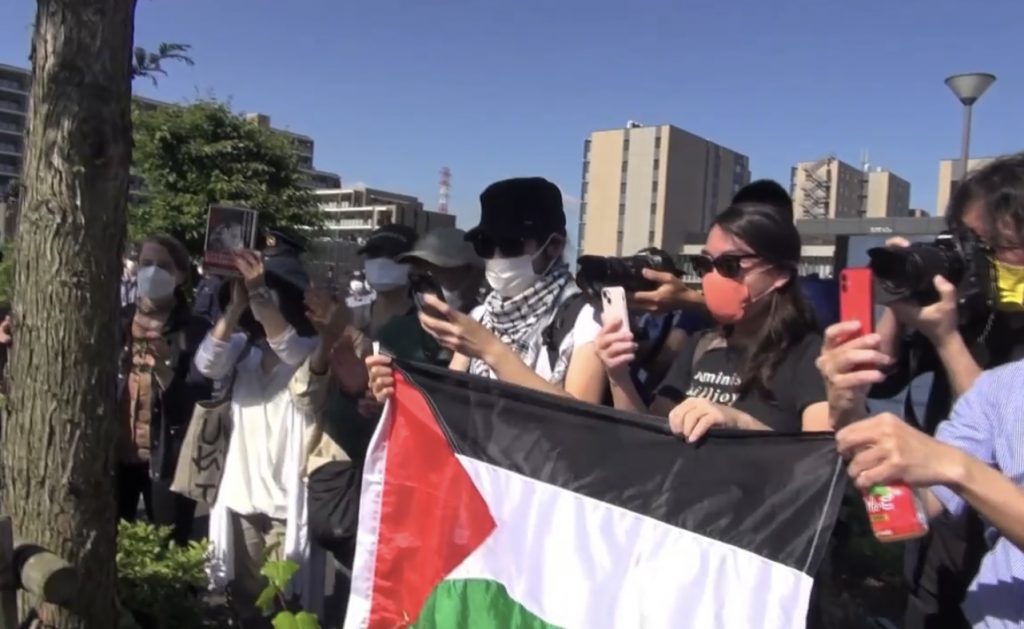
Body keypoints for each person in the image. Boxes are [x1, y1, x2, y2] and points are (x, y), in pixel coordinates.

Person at [867, 153, 1024, 628]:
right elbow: (901, 512)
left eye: (994, 244)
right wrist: (852, 416)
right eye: (967, 241)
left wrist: (947, 339)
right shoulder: (964, 304)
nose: (974, 257)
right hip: (947, 534)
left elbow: (991, 430)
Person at [820, 319, 1024, 627]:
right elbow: (906, 512)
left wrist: (960, 469)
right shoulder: (997, 389)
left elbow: (951, 466)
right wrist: (850, 413)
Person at [596, 202, 830, 440]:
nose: (712, 277)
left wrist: (741, 424)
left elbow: (820, 460)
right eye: (705, 265)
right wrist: (618, 375)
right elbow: (647, 441)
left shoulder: (811, 357)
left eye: (729, 265)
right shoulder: (702, 344)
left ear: (780, 274)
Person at [368, 177, 605, 404]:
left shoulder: (586, 319)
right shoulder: (482, 316)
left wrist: (491, 350)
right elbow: (449, 407)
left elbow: (581, 426)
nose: (497, 256)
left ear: (554, 245)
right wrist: (393, 393)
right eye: (487, 244)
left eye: (511, 244)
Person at [194, 250, 332, 626]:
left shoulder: (310, 352)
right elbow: (206, 362)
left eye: (272, 294)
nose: (262, 302)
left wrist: (258, 293)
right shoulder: (243, 353)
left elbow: (286, 347)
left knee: (289, 604)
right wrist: (235, 308)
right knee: (246, 602)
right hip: (242, 498)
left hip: (288, 504)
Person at [116, 234, 212, 545]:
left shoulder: (193, 330)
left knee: (167, 548)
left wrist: (163, 369)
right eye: (146, 264)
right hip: (116, 457)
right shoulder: (119, 320)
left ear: (181, 275)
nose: (152, 272)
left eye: (163, 266)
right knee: (113, 547)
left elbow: (196, 405)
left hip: (166, 459)